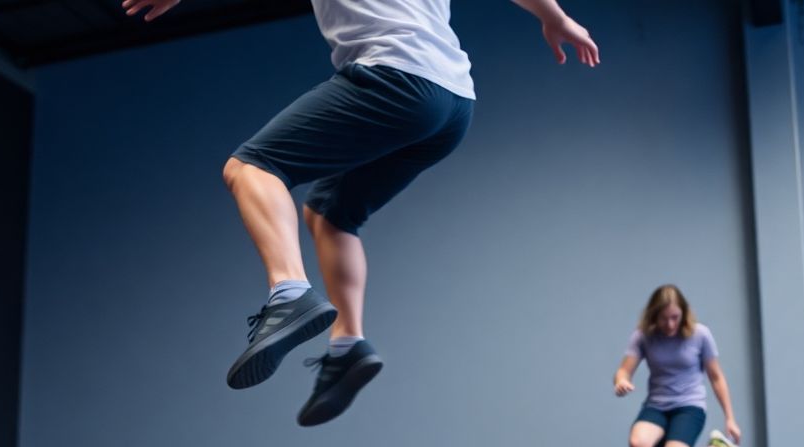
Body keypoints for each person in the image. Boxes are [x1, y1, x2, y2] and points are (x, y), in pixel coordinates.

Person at [124, 0, 599, 425]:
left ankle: (289, 294)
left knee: (250, 167)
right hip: (453, 104)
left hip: (397, 76)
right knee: (330, 214)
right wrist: (554, 17)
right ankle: (347, 346)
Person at [613, 285, 745, 447]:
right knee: (637, 443)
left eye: (675, 317)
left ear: (683, 314)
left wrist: (730, 418)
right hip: (657, 407)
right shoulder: (643, 337)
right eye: (664, 318)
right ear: (654, 316)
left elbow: (716, 377)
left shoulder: (700, 335)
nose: (670, 324)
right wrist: (622, 381)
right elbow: (623, 370)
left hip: (689, 407)